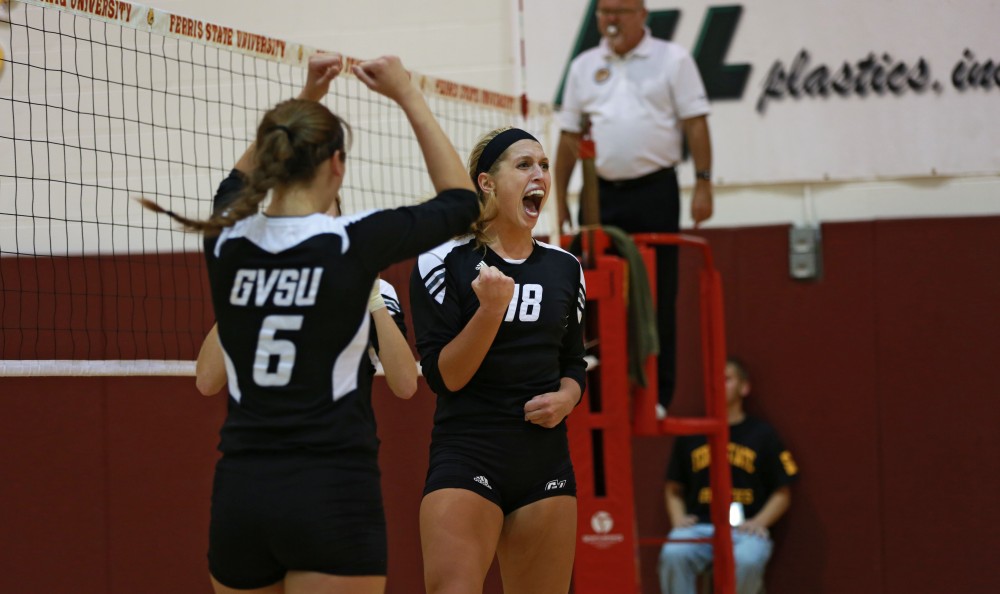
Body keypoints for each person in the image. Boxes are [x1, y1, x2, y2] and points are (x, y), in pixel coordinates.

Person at [142, 52, 477, 594]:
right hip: (331, 493)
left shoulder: (226, 238)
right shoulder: (353, 242)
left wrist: (306, 99)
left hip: (242, 495)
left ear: (273, 160)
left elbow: (234, 183)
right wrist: (408, 93)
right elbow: (462, 203)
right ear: (337, 165)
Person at [409, 127, 588, 594]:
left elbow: (573, 361)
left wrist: (567, 398)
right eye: (524, 165)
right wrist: (490, 310)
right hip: (469, 452)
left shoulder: (565, 267)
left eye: (545, 166)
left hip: (545, 462)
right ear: (487, 182)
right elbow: (444, 377)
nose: (540, 176)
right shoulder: (443, 262)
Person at [554, 0, 714, 412]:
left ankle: (657, 392)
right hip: (599, 193)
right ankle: (595, 389)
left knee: (660, 291)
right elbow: (569, 136)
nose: (611, 19)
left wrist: (703, 183)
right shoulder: (583, 66)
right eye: (604, 11)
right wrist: (559, 197)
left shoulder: (673, 60)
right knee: (589, 292)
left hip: (655, 189)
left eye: (620, 10)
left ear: (642, 14)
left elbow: (696, 122)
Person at [658, 358, 799, 594]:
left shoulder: (763, 434)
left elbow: (783, 491)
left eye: (726, 379)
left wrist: (760, 522)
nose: (718, 385)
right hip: (700, 526)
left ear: (744, 388)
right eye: (713, 380)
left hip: (745, 530)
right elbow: (673, 487)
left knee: (747, 559)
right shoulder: (691, 433)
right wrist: (678, 519)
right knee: (674, 552)